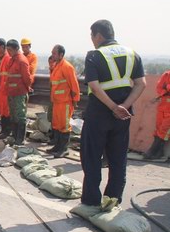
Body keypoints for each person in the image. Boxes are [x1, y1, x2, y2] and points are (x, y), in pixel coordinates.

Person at [80, 19, 146, 207]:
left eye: (92, 36)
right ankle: (113, 200)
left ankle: (91, 202)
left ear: (98, 35)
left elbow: (94, 86)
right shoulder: (132, 54)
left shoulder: (94, 55)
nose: (92, 40)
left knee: (92, 157)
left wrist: (112, 107)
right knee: (118, 158)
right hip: (123, 117)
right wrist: (123, 106)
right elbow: (141, 84)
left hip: (98, 115)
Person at [47, 45, 80, 157]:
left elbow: (74, 85)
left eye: (54, 53)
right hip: (57, 101)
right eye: (52, 53)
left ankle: (64, 149)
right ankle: (57, 146)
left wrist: (75, 100)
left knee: (64, 125)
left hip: (65, 101)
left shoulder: (67, 67)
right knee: (56, 124)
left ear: (61, 55)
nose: (52, 55)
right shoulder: (56, 66)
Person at [5, 39, 32, 145]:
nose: (8, 52)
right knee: (13, 115)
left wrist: (25, 89)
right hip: (12, 92)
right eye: (7, 50)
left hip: (19, 93)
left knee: (20, 115)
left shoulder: (21, 60)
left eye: (10, 50)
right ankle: (15, 136)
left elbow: (27, 79)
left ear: (16, 48)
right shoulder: (12, 60)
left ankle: (20, 139)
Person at [143, 70, 170, 159]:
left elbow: (166, 88)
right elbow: (159, 88)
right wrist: (165, 90)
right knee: (158, 128)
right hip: (163, 105)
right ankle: (158, 153)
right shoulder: (167, 74)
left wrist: (167, 88)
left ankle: (152, 151)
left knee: (164, 130)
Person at [0, 38, 11, 138]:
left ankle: (7, 132)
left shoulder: (7, 58)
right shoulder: (0, 58)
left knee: (6, 110)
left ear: (2, 47)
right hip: (0, 88)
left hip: (6, 89)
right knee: (2, 110)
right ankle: (3, 130)